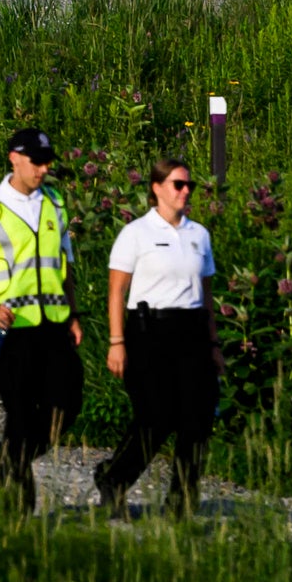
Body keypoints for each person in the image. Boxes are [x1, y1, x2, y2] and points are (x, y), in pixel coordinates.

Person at [0, 125, 84, 508]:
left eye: (48, 162)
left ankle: (5, 458)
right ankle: (18, 512)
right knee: (22, 415)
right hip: (11, 331)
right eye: (36, 162)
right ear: (14, 158)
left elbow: (65, 265)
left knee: (67, 404)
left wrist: (73, 314)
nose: (43, 169)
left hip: (54, 325)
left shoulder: (55, 203)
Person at [95, 157, 222, 519]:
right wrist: (116, 342)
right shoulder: (136, 234)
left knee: (197, 419)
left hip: (193, 331)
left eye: (189, 186)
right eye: (178, 185)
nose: (185, 192)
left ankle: (182, 502)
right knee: (155, 417)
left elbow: (207, 294)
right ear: (156, 188)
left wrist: (214, 345)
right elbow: (117, 291)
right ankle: (113, 479)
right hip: (149, 330)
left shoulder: (199, 235)